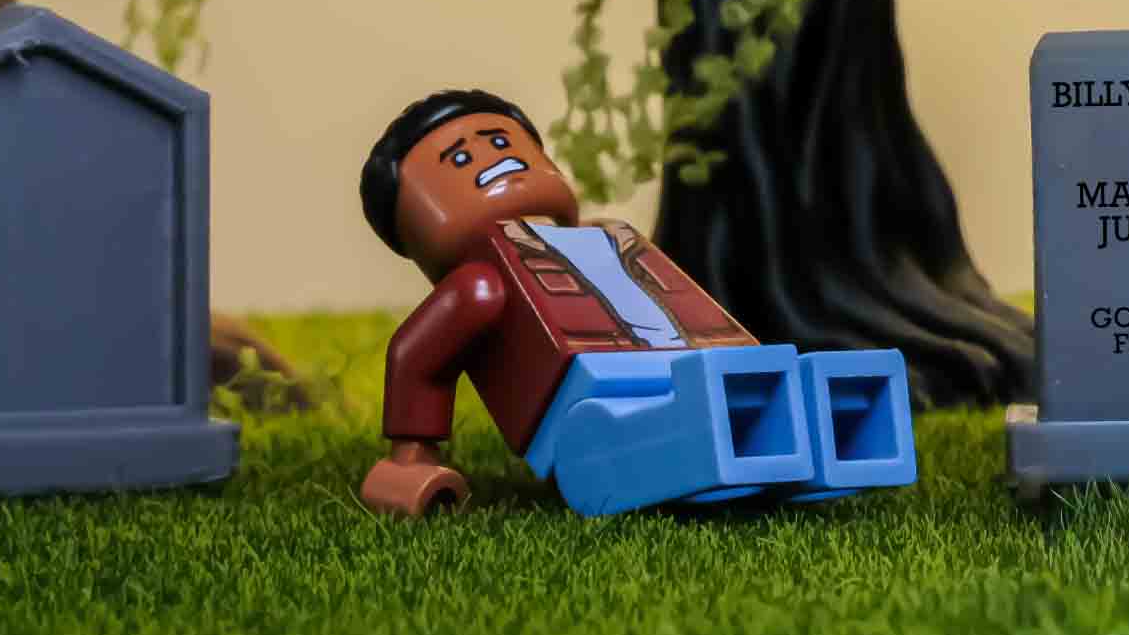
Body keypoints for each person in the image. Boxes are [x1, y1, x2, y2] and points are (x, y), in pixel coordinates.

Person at [356, 89, 914, 517]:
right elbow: (416, 357)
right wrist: (410, 460)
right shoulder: (479, 285)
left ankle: (811, 438)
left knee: (786, 391)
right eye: (459, 159)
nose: (493, 159)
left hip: (704, 366)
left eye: (503, 143)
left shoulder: (609, 238)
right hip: (589, 404)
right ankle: (732, 450)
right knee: (705, 418)